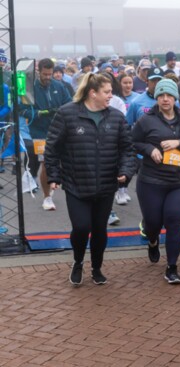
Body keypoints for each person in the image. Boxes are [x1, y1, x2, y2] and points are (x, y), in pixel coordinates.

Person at [44, 72, 135, 286]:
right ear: (92, 93)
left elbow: (127, 149)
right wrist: (54, 175)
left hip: (105, 185)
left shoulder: (116, 116)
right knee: (82, 227)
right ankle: (78, 261)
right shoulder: (67, 114)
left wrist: (125, 171)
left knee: (100, 229)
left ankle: (96, 267)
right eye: (107, 92)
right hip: (76, 184)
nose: (111, 96)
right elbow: (52, 148)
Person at [131, 79, 180, 284]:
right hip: (151, 181)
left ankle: (172, 267)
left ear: (175, 97)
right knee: (153, 223)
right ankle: (152, 241)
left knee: (174, 221)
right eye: (161, 95)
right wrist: (149, 150)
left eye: (169, 95)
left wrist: (179, 142)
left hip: (178, 181)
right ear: (157, 98)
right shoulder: (146, 120)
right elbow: (133, 141)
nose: (165, 99)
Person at [20, 58, 72, 211]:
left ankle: (52, 186)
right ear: (39, 71)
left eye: (50, 74)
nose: (48, 77)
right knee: (45, 163)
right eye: (45, 74)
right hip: (39, 131)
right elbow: (21, 109)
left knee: (59, 163)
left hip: (59, 130)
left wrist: (63, 111)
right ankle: (47, 197)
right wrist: (40, 113)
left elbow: (68, 103)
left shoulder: (59, 86)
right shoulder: (29, 88)